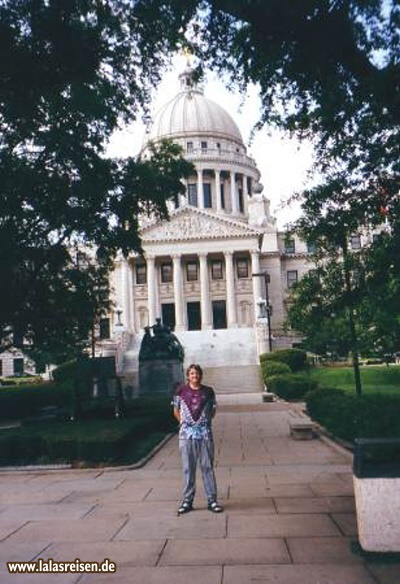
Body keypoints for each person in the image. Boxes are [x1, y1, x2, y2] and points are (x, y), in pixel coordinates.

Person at [172, 363, 223, 515]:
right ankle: (188, 500)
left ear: (201, 375)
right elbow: (175, 410)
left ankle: (212, 500)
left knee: (207, 467)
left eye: (197, 373)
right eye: (192, 374)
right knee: (188, 468)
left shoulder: (208, 391)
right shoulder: (180, 391)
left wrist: (204, 423)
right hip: (186, 436)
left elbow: (213, 410)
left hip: (205, 435)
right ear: (188, 376)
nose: (195, 376)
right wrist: (184, 423)